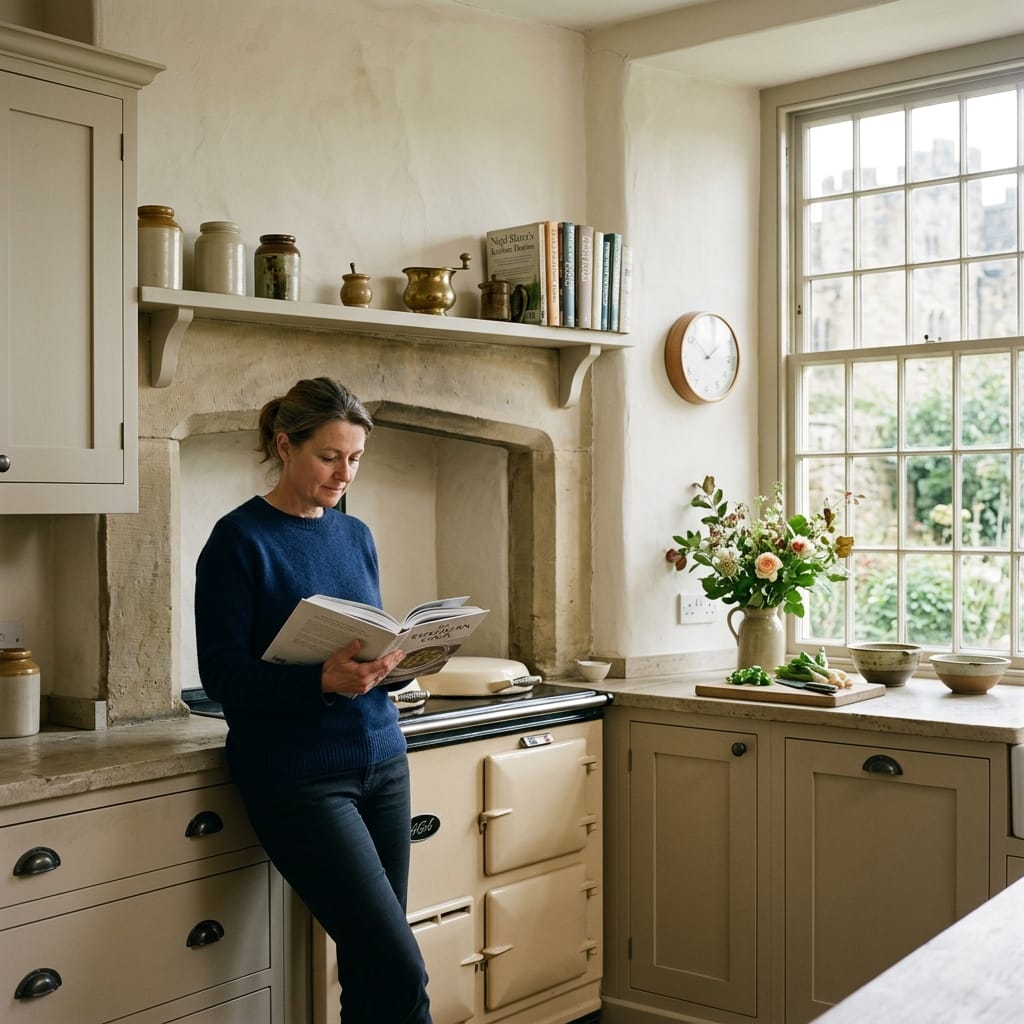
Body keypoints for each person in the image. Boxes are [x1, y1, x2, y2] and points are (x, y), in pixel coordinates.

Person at [194, 377, 431, 1024]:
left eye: (354, 459)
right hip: (299, 779)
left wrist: (397, 662)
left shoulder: (354, 536)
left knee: (369, 969)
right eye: (330, 456)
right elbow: (223, 676)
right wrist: (320, 683)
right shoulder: (238, 541)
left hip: (384, 760)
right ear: (285, 445)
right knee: (400, 968)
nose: (343, 472)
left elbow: (361, 647)